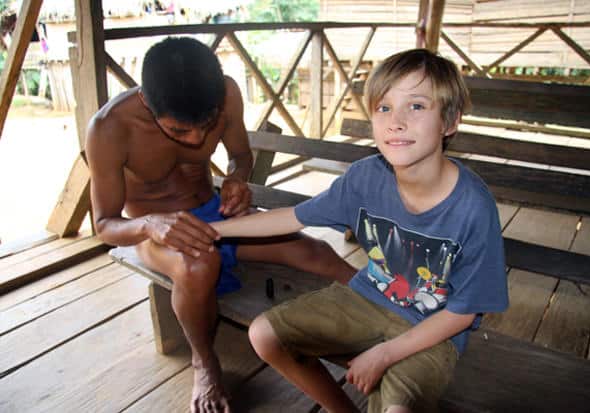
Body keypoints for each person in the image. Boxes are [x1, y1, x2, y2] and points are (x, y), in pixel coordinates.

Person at [210, 49, 509, 412]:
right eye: (384, 108)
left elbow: (463, 312)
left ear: (449, 122)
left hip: (433, 331)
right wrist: (216, 230)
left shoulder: (473, 207)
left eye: (415, 106)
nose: (395, 121)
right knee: (263, 334)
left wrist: (384, 355)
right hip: (366, 299)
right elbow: (295, 217)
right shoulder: (366, 177)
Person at [85, 37, 355, 413]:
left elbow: (241, 156)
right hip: (157, 232)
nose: (196, 140)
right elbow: (104, 225)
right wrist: (150, 224)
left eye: (206, 125)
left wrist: (236, 179)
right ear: (147, 102)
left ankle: (389, 303)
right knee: (200, 265)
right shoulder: (109, 129)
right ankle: (204, 362)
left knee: (313, 250)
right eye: (179, 132)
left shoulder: (226, 93)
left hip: (218, 217)